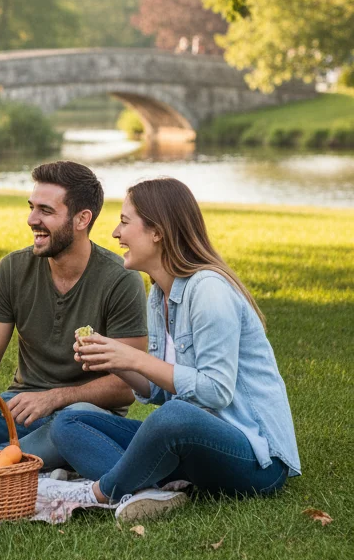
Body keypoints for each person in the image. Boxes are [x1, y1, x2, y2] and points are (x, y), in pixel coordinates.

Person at [51, 178, 301, 521]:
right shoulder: (160, 295)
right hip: (193, 447)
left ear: (158, 232)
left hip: (256, 460)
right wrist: (115, 361)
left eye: (125, 222)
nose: (114, 233)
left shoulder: (208, 291)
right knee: (69, 421)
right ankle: (147, 489)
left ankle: (100, 492)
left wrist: (135, 358)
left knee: (172, 418)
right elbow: (159, 390)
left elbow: (215, 391)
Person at [0, 161, 147, 469]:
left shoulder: (120, 280)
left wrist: (54, 398)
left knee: (70, 424)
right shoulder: (12, 269)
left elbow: (128, 385)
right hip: (16, 410)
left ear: (82, 219)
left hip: (80, 416)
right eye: (32, 208)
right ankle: (4, 463)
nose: (32, 219)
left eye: (46, 211)